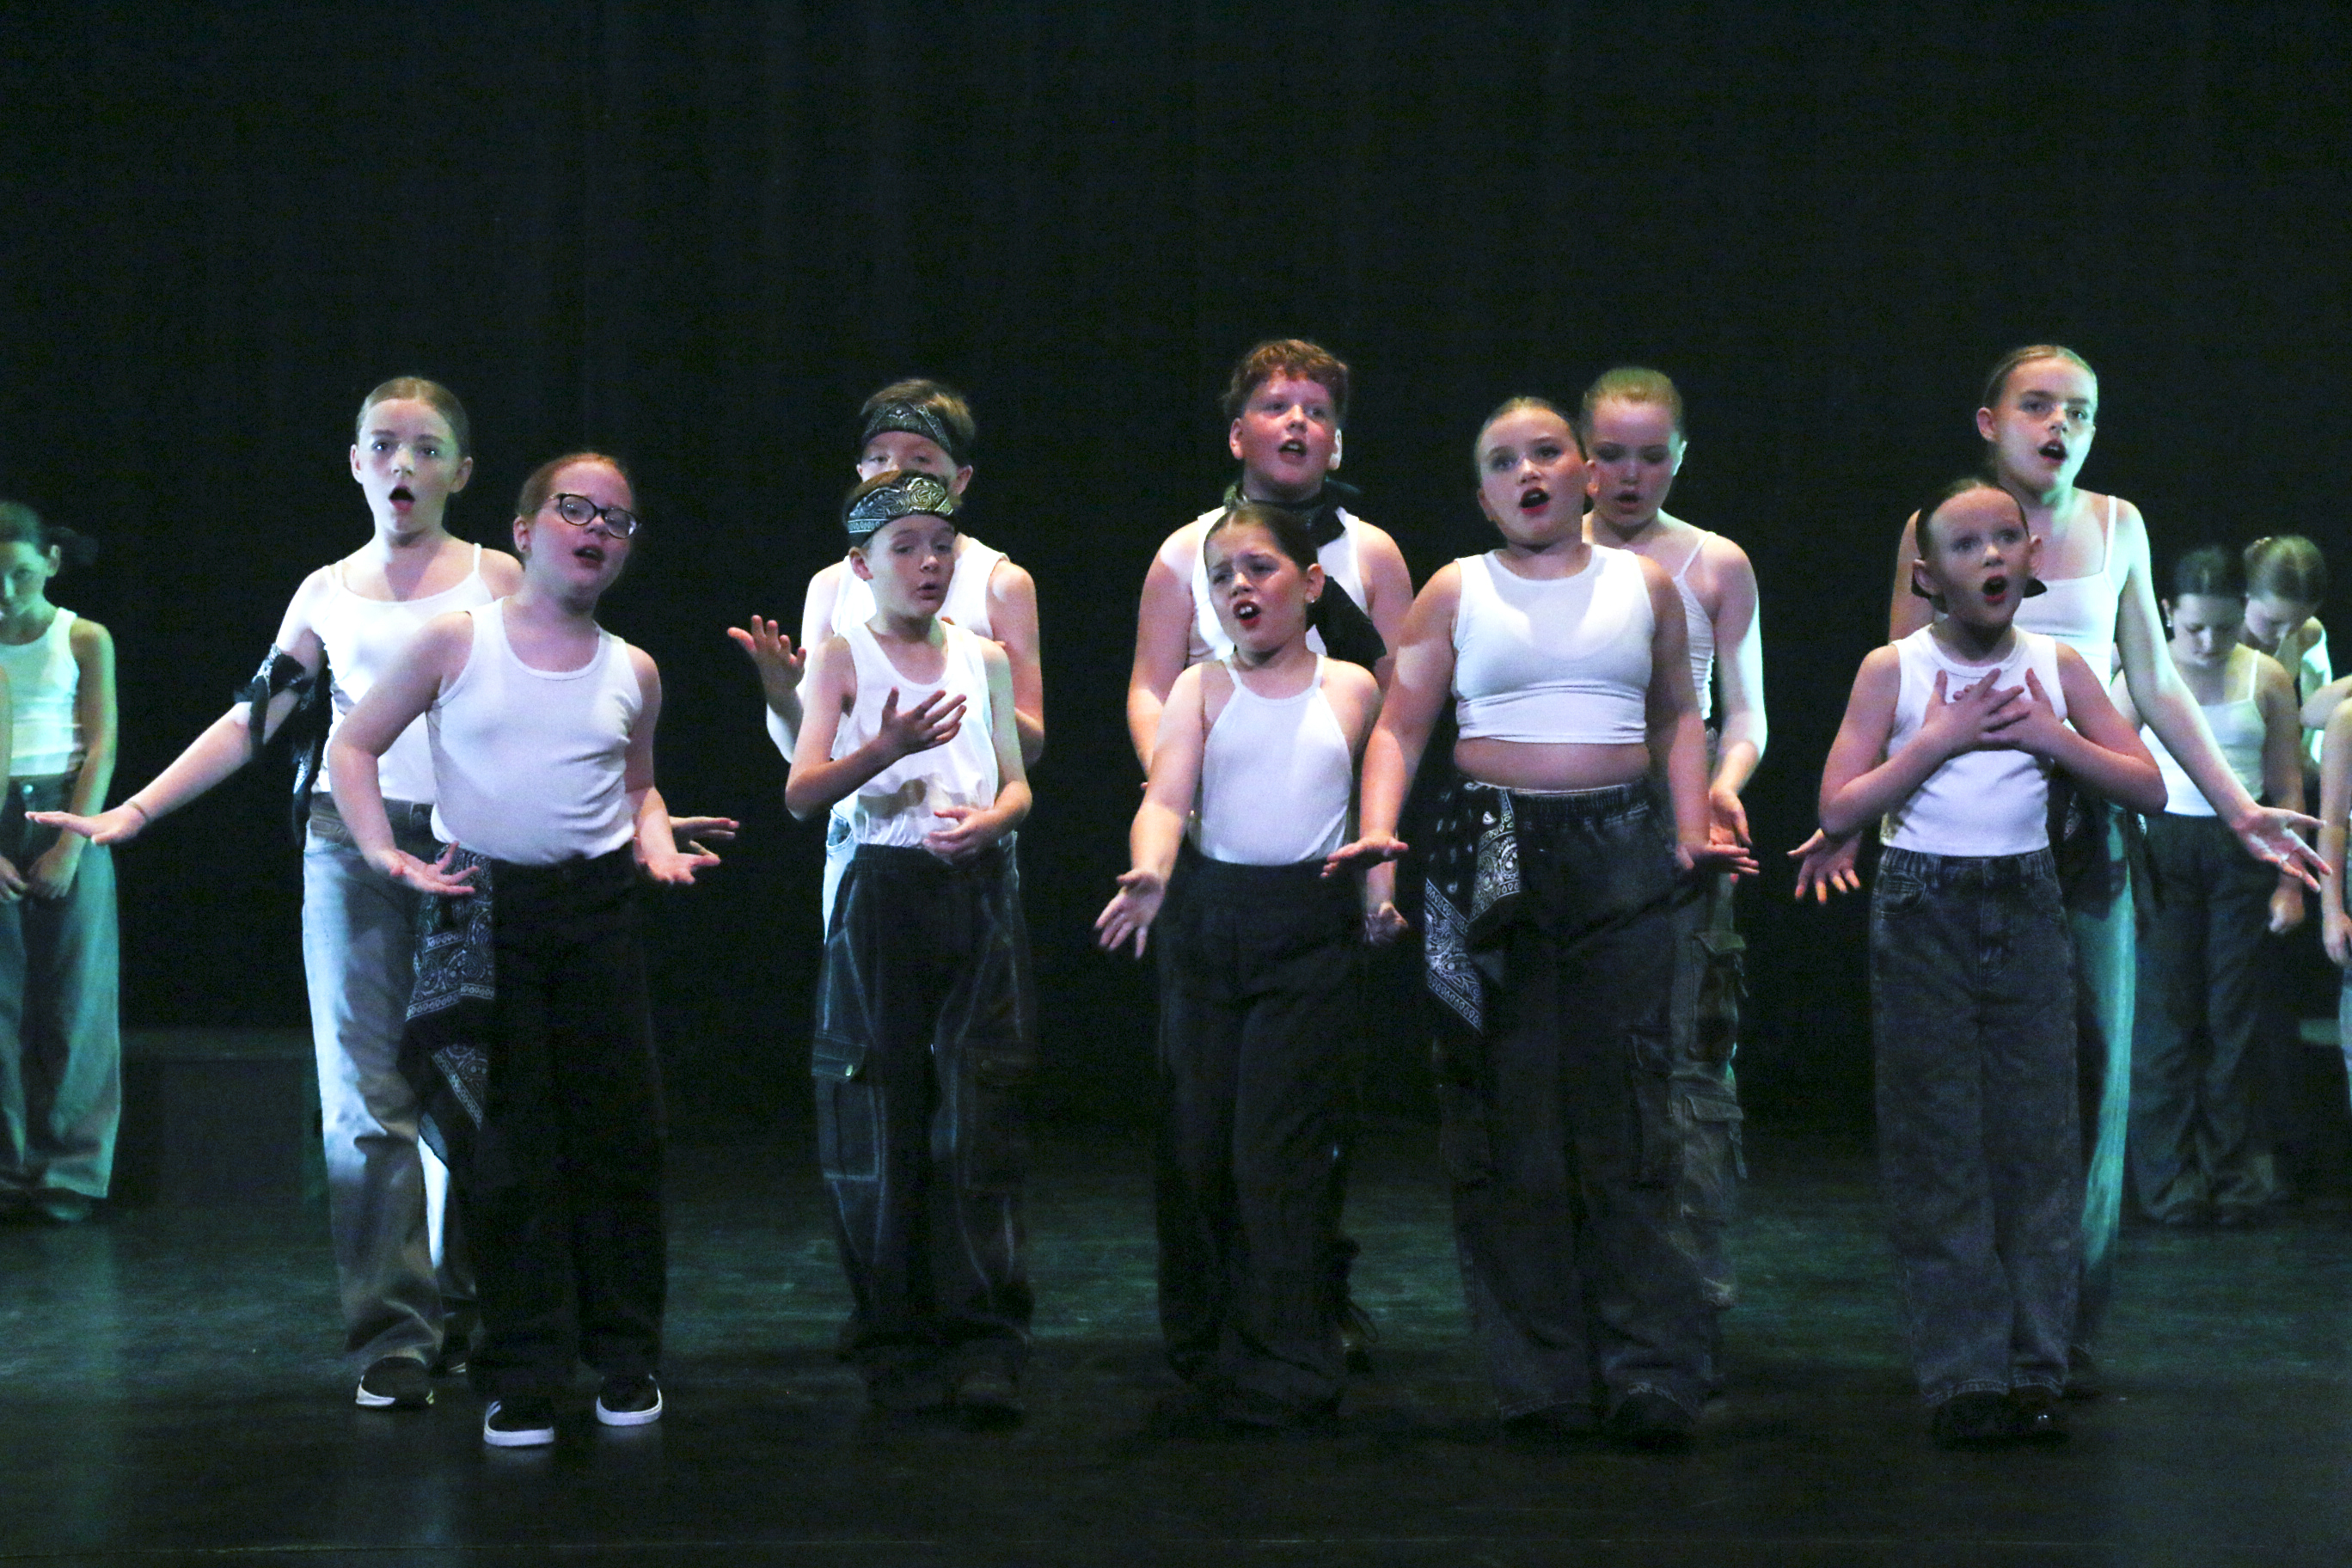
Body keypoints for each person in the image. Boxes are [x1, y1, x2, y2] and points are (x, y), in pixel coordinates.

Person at [1796, 346, 2320, 1388]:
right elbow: (1904, 684)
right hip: (1957, 838)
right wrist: (1856, 818)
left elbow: (2159, 687)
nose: (2059, 426)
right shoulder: (1940, 526)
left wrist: (2236, 808)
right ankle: (1974, 1330)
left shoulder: (2119, 525)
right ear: (1989, 421)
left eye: (2078, 410)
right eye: (2037, 405)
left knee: (2091, 1076)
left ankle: (2060, 1328)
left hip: (2081, 828)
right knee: (1959, 1095)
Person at [34, 378, 518, 1408]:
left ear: (462, 471)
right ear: (355, 463)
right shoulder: (327, 592)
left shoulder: (498, 579)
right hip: (351, 849)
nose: (402, 464)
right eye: (382, 444)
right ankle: (393, 1334)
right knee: (363, 1100)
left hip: (472, 849)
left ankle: (475, 1307)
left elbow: (550, 704)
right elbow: (253, 720)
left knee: (474, 1084)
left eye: (426, 447)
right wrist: (136, 811)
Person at [1327, 397, 1755, 1449]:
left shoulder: (1644, 586)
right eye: (1501, 462)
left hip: (1620, 847)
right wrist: (1379, 844)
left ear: (1584, 476)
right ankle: (1541, 1373)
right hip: (1487, 853)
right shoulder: (1455, 589)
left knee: (1631, 1112)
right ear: (1483, 495)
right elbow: (1400, 729)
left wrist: (1688, 831)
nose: (1527, 473)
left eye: (1546, 453)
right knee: (1505, 1115)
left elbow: (1678, 714)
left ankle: (1648, 1368)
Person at [328, 450, 714, 1448]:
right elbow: (352, 744)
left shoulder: (634, 670)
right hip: (486, 911)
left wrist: (656, 841)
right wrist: (379, 851)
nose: (599, 530)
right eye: (578, 510)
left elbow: (637, 787)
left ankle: (625, 1358)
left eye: (618, 520)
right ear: (526, 530)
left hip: (596, 913)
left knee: (618, 1141)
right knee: (507, 1152)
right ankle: (523, 1368)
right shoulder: (458, 641)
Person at [1816, 478, 2163, 1445]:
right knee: (1939, 1146)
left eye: (2007, 538)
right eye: (1967, 546)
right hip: (1923, 907)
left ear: (2032, 559)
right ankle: (1964, 1373)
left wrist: (2053, 738)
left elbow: (2145, 784)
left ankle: (2036, 1366)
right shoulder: (1894, 668)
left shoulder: (2057, 665)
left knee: (2038, 1145)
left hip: (2026, 901)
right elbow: (1840, 804)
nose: (1993, 557)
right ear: (1928, 575)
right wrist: (1938, 739)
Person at [1126, 337, 1412, 1369]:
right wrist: (1184, 780)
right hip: (1216, 850)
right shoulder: (1187, 552)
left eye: (1317, 409)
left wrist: (1374, 859)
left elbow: (1401, 703)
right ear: (1237, 431)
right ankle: (1211, 1324)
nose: (1297, 422)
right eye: (1276, 405)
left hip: (1320, 860)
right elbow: (1151, 687)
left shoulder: (1371, 554)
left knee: (1303, 1116)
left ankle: (1304, 1307)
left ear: (1338, 437)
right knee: (1202, 1117)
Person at [1097, 501, 1383, 1430]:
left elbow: (1373, 810)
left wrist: (1379, 897)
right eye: (1221, 577)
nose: (1238, 588)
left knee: (1279, 1151)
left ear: (1311, 583)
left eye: (1259, 568)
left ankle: (1289, 1353)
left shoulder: (1351, 688)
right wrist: (1151, 872)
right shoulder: (1201, 688)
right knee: (1201, 1145)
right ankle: (1208, 1343)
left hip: (1309, 931)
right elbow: (1165, 797)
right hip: (1211, 925)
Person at [786, 470, 1034, 1421]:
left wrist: (994, 823)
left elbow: (1016, 781)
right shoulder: (841, 657)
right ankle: (892, 1329)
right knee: (880, 1113)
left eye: (941, 546)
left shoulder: (983, 656)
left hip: (972, 890)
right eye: (906, 547)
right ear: (862, 565)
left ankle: (982, 1333)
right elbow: (802, 791)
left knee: (975, 1112)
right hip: (882, 892)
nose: (928, 563)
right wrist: (882, 751)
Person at [1578, 367, 1765, 1388]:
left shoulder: (1713, 562)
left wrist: (1721, 788)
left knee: (1689, 1066)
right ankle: (1587, 1297)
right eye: (1611, 454)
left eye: (1652, 456)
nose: (1630, 475)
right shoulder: (1544, 555)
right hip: (1575, 827)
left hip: (1680, 826)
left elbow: (1745, 711)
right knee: (1582, 1061)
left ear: (1681, 456)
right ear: (1581, 457)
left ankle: (1687, 1296)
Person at [732, 378, 1042, 927]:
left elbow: (1027, 752)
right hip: (872, 852)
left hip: (970, 846)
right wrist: (782, 697)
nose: (896, 472)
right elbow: (805, 765)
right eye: (879, 459)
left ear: (959, 479)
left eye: (920, 460)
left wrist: (962, 674)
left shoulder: (998, 585)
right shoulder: (833, 587)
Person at [2114, 547, 2304, 1225]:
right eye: (2194, 627)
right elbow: (2107, 775)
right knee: (2164, 1021)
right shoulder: (2140, 674)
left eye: (2224, 628)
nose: (2208, 642)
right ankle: (2169, 1184)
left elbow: (2286, 787)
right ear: (2168, 612)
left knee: (2236, 1021)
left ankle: (2237, 1179)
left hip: (2242, 851)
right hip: (2162, 849)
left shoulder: (2267, 676)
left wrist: (2290, 886)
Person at [0, 504, 115, 1226]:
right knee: (3, 1004)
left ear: (49, 561)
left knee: (75, 997)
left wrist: (73, 843)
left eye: (19, 573)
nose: (6, 591)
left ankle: (71, 1169)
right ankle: (9, 1168)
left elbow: (101, 743)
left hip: (65, 811)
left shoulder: (82, 636)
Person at [2237, 536, 2330, 768]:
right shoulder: (2215, 637)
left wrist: (2311, 751)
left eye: (2300, 621)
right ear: (2245, 598)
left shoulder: (2308, 634)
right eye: (2273, 622)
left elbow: (2321, 694)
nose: (2284, 634)